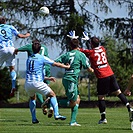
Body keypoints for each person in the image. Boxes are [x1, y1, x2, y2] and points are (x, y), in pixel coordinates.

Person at [78, 32, 133, 124]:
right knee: (118, 92)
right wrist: (89, 41)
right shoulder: (103, 49)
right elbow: (95, 47)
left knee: (101, 97)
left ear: (91, 44)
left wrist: (80, 41)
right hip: (110, 73)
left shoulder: (91, 53)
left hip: (102, 76)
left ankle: (103, 118)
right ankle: (129, 107)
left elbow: (80, 50)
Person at [24, 39, 70, 124]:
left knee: (32, 98)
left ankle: (34, 118)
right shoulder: (42, 57)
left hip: (28, 83)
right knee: (52, 95)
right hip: (37, 83)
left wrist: (47, 78)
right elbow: (55, 64)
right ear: (40, 49)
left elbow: (34, 72)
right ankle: (56, 114)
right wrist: (66, 67)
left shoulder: (29, 59)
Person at [55, 38, 94, 126]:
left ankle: (73, 121)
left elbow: (56, 62)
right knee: (73, 102)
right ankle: (53, 102)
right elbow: (88, 68)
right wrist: (93, 70)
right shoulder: (80, 55)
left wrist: (65, 66)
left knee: (77, 99)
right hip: (71, 79)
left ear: (70, 46)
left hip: (69, 79)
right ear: (78, 45)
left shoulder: (67, 54)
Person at [15, 42, 53, 118]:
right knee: (49, 91)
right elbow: (47, 57)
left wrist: (15, 50)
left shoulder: (30, 47)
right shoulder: (44, 47)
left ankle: (43, 104)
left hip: (37, 69)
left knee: (36, 88)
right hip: (46, 67)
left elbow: (20, 49)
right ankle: (51, 107)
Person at [0, 16, 30, 97]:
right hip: (11, 49)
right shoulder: (10, 27)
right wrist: (27, 35)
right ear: (5, 21)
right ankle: (13, 86)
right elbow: (20, 36)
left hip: (2, 49)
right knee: (12, 68)